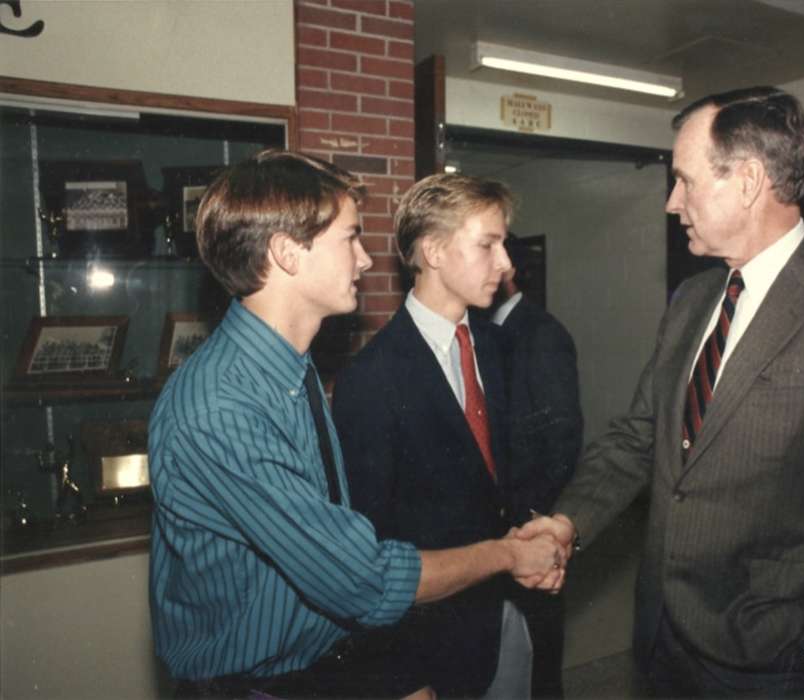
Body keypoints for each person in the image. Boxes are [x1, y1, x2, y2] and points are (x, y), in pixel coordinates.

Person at [519, 87, 804, 696]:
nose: (671, 202)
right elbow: (642, 436)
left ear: (747, 181)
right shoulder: (693, 300)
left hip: (772, 659)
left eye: (685, 181)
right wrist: (567, 522)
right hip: (662, 635)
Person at [148, 151, 563, 700]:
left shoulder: (289, 371)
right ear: (286, 253)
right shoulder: (222, 407)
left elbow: (335, 552)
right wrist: (510, 554)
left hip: (324, 672)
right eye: (349, 239)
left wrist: (382, 676)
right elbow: (363, 578)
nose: (366, 260)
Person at [332, 174, 559, 699]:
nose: (506, 264)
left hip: (512, 621)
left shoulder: (500, 348)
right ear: (433, 251)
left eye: (504, 244)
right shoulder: (372, 378)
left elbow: (506, 481)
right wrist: (402, 680)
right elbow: (368, 548)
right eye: (488, 244)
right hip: (429, 651)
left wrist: (539, 539)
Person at [490, 233, 584, 698]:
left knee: (540, 662)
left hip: (531, 527)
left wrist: (532, 521)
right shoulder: (486, 334)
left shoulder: (542, 334)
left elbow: (562, 440)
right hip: (496, 535)